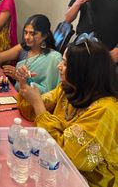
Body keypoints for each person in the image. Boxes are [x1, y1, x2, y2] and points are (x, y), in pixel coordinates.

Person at [16, 38, 118, 187]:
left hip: (87, 181)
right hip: (55, 171)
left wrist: (38, 105)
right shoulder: (69, 89)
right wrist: (24, 83)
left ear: (84, 71)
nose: (59, 66)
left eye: (65, 63)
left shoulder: (106, 110)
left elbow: (69, 156)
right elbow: (31, 111)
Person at [0, 14, 62, 94]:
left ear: (44, 36)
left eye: (33, 34)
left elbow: (50, 92)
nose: (27, 37)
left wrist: (21, 78)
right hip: (18, 96)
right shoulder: (24, 48)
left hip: (36, 103)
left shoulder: (54, 58)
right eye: (26, 32)